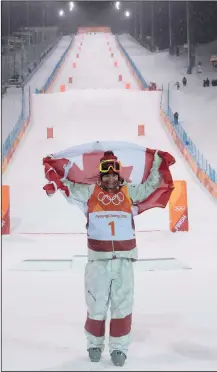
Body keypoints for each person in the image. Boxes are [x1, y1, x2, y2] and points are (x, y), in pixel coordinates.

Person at [43, 150, 163, 366]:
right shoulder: (90, 192)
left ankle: (119, 348)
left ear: (118, 175)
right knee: (96, 305)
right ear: (101, 175)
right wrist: (53, 173)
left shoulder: (129, 192)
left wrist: (157, 162)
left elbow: (149, 187)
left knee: (122, 306)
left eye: (113, 174)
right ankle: (94, 345)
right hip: (98, 261)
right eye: (106, 174)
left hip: (124, 260)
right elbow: (68, 188)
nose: (110, 178)